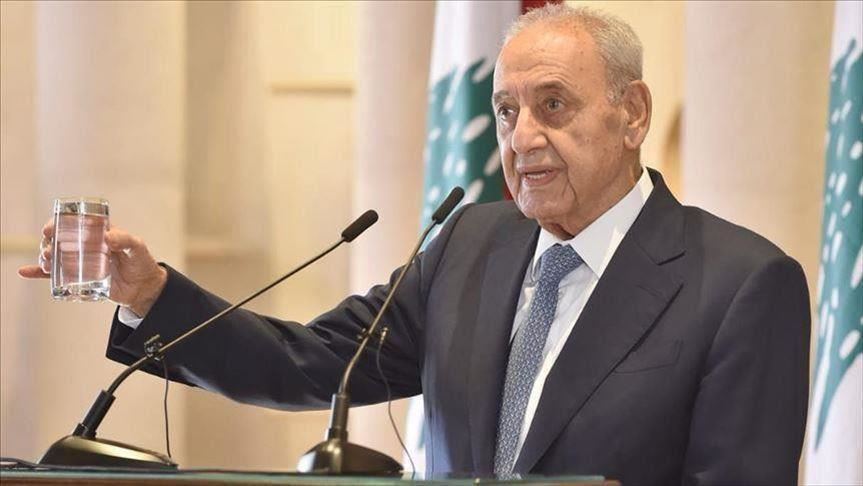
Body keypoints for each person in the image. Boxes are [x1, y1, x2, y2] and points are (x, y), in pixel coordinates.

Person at [20, 5, 811, 485]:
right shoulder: (471, 244)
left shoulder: (738, 284)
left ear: (632, 113)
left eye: (553, 105)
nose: (521, 138)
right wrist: (151, 294)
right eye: (506, 111)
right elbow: (309, 364)